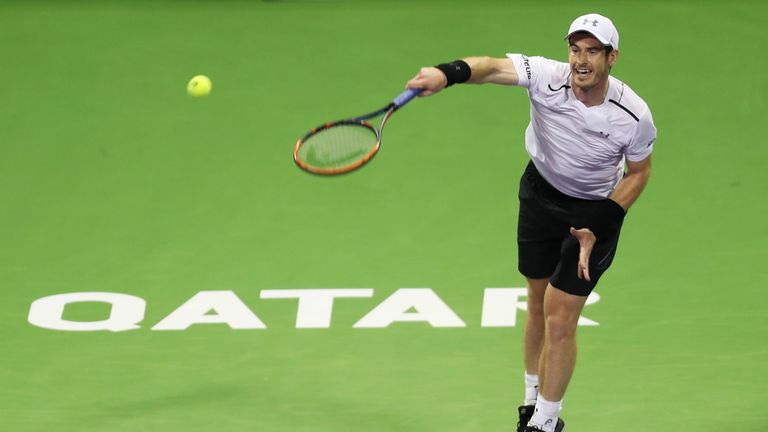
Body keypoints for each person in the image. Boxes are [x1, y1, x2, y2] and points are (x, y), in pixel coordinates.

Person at [405, 13, 656, 432]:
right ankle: (531, 401)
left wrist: (601, 224)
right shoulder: (546, 76)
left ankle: (545, 421)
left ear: (612, 57)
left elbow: (639, 173)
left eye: (592, 51)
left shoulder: (633, 114)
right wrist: (446, 74)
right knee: (538, 300)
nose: (581, 60)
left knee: (560, 315)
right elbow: (489, 68)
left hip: (593, 214)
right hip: (540, 196)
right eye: (575, 49)